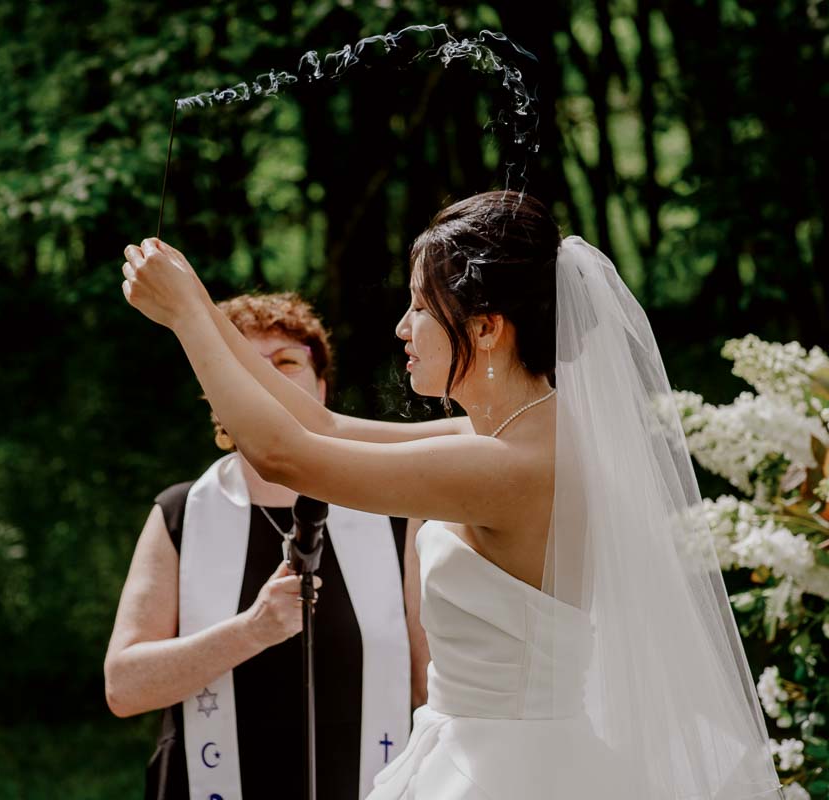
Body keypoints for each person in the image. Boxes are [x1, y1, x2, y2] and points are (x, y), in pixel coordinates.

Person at [119, 190, 782, 799]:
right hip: (466, 752)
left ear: (488, 327)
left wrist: (184, 318)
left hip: (509, 774)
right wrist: (202, 305)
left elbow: (285, 454)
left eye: (419, 307)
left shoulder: (515, 464)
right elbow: (317, 424)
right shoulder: (510, 436)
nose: (402, 328)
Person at [104, 292, 429, 800]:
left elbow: (431, 685)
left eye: (286, 363)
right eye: (242, 366)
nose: (268, 379)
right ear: (216, 392)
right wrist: (251, 631)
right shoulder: (181, 513)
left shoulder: (393, 515)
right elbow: (123, 687)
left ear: (320, 388)